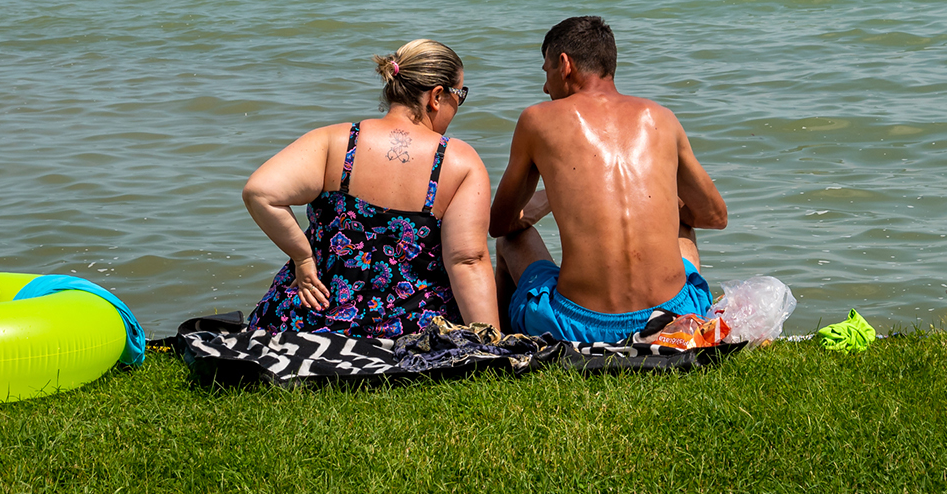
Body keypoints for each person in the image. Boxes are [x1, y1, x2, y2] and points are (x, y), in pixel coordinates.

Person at [489, 17, 727, 342]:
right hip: (676, 316)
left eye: (546, 72)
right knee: (684, 223)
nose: (545, 87)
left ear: (564, 64)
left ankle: (497, 340)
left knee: (512, 241)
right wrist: (663, 204)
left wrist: (549, 197)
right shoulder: (661, 117)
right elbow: (714, 216)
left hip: (578, 326)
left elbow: (500, 223)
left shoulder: (537, 120)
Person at [243, 39, 498, 337]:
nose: (458, 105)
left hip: (312, 319)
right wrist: (489, 342)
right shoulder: (458, 162)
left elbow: (259, 192)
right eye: (460, 95)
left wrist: (303, 257)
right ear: (437, 96)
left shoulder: (335, 141)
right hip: (409, 325)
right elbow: (467, 260)